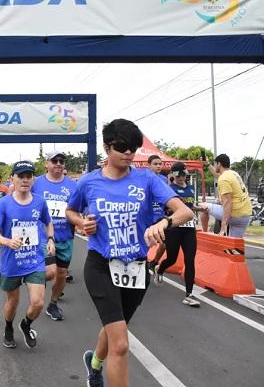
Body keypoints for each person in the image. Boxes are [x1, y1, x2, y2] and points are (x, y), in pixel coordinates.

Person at [66, 119, 193, 387]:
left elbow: (185, 212)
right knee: (121, 344)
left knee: (117, 327)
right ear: (106, 147)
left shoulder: (147, 179)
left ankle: (95, 364)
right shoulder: (89, 182)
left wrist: (163, 222)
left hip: (136, 269)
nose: (128, 153)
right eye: (122, 147)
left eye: (133, 148)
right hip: (101, 265)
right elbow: (70, 211)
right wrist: (81, 222)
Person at [0, 161, 55, 349]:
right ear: (13, 179)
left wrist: (50, 239)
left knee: (38, 302)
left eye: (29, 176)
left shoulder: (40, 201)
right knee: (13, 301)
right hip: (12, 262)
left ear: (33, 179)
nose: (25, 180)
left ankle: (26, 324)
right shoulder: (3, 204)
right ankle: (8, 327)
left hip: (34, 259)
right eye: (21, 176)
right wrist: (7, 241)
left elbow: (48, 222)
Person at [31, 150, 77, 321]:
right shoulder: (36, 183)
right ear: (47, 164)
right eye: (55, 160)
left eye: (61, 161)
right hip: (42, 236)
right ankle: (36, 287)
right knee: (50, 272)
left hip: (65, 235)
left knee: (62, 273)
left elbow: (78, 207)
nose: (58, 163)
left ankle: (53, 303)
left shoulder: (73, 186)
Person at [153, 162, 201, 307]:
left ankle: (189, 294)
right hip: (174, 228)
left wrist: (200, 209)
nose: (181, 178)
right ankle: (159, 268)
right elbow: (165, 209)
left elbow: (191, 207)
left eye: (183, 175)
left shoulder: (191, 188)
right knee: (172, 259)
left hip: (189, 229)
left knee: (189, 260)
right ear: (173, 176)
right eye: (178, 175)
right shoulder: (169, 190)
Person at [198, 154, 252, 238]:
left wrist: (223, 226)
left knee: (202, 206)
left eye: (214, 163)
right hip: (245, 216)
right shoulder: (233, 174)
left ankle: (205, 234)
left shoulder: (224, 179)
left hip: (234, 214)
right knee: (233, 246)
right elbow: (217, 175)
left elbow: (228, 202)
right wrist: (208, 164)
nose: (214, 165)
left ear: (219, 164)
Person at [145, 155, 170, 273]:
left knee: (164, 243)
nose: (159, 166)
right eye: (155, 164)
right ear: (148, 165)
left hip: (160, 217)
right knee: (146, 242)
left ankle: (154, 261)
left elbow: (168, 197)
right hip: (147, 217)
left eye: (160, 164)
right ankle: (142, 262)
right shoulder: (143, 178)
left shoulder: (164, 179)